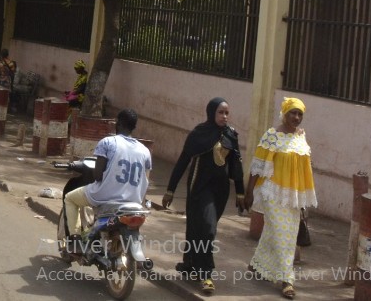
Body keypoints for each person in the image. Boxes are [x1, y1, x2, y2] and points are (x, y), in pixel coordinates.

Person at [162, 98, 245, 295]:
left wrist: (240, 192)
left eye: (226, 113)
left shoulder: (231, 135)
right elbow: (183, 161)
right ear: (211, 113)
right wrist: (170, 190)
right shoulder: (199, 134)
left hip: (220, 191)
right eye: (220, 112)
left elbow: (236, 165)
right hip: (200, 188)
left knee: (201, 229)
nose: (224, 116)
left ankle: (190, 263)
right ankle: (205, 273)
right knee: (207, 229)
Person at [244, 98, 316, 299]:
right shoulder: (272, 136)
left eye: (300, 114)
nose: (296, 117)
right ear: (284, 113)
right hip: (273, 193)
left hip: (292, 196)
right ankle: (287, 279)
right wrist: (249, 192)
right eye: (293, 113)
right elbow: (257, 165)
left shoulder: (301, 137)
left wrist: (303, 197)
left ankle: (257, 264)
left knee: (281, 232)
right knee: (283, 234)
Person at [62, 108, 152, 245]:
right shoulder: (145, 151)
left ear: (119, 123)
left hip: (106, 196)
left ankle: (74, 239)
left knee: (70, 199)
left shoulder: (108, 142)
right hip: (134, 201)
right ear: (134, 127)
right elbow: (145, 181)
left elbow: (98, 175)